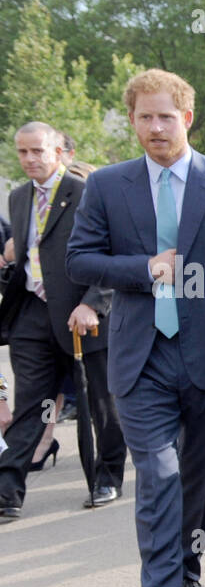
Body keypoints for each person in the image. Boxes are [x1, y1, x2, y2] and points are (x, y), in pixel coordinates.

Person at [66, 68, 205, 587]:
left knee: (199, 481)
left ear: (187, 118)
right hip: (140, 358)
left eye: (165, 116)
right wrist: (143, 267)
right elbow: (80, 260)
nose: (155, 127)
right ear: (132, 121)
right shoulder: (107, 185)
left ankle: (189, 574)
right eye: (144, 117)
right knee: (158, 475)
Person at [0, 122, 125, 519]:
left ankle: (107, 476)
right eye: (23, 152)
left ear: (58, 151)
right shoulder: (18, 198)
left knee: (100, 402)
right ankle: (7, 490)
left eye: (38, 151)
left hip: (82, 314)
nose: (30, 159)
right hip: (32, 314)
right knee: (32, 403)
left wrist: (94, 302)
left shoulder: (88, 192)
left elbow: (113, 253)